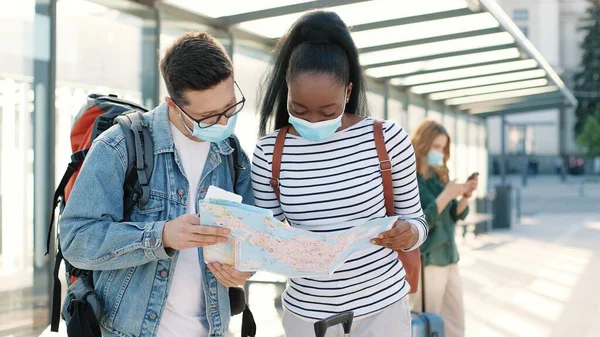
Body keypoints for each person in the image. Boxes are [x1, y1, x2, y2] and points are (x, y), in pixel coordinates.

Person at [59, 32, 254, 337]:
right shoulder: (118, 147)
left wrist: (245, 267)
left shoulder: (231, 153)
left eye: (231, 107)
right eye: (208, 117)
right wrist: (160, 236)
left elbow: (251, 237)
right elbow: (76, 239)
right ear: (172, 105)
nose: (223, 123)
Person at [251, 10, 428, 337]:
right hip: (307, 317)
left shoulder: (387, 140)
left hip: (383, 309)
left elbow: (418, 222)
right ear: (286, 90)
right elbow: (266, 240)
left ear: (347, 92)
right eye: (300, 109)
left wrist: (408, 233)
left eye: (328, 111)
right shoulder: (269, 153)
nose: (314, 121)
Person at [409, 120, 478, 337]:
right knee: (430, 323)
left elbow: (455, 214)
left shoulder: (440, 176)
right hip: (429, 262)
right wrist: (447, 193)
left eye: (443, 148)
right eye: (437, 147)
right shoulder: (411, 180)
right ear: (423, 144)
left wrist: (465, 195)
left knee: (456, 322)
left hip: (450, 259)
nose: (440, 153)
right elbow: (423, 221)